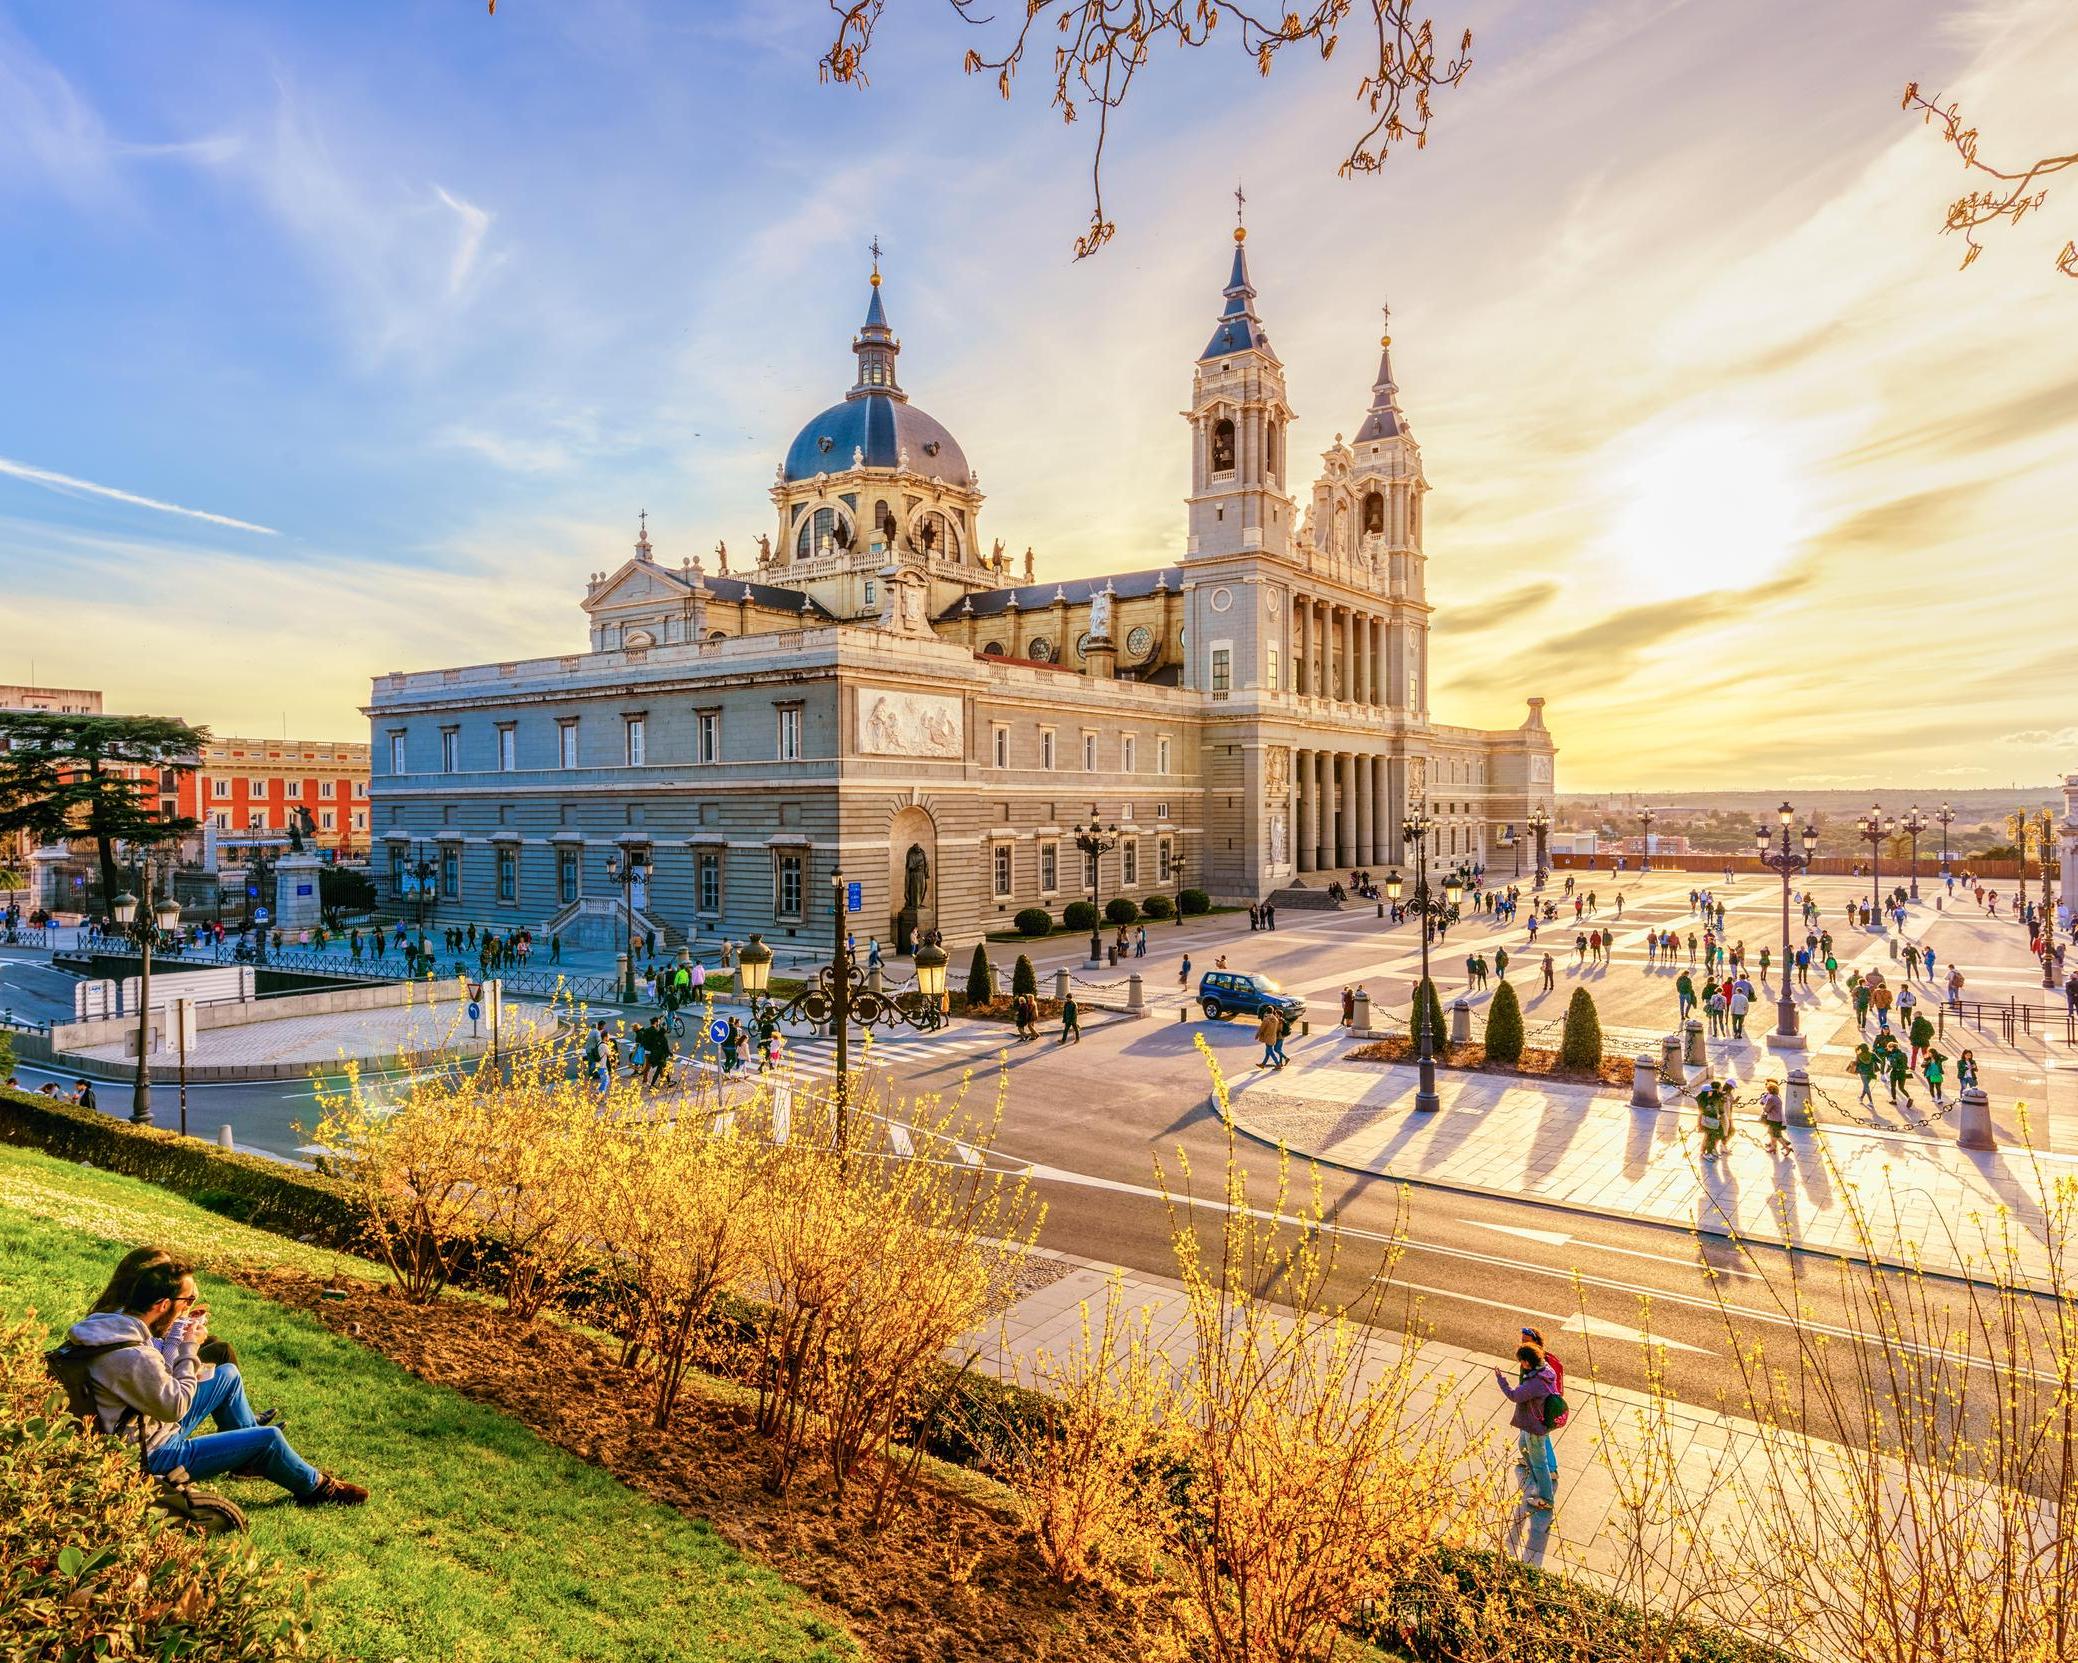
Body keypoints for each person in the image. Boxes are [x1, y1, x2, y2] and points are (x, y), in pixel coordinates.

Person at [61, 1253, 365, 1508]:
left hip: (142, 1425)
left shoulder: (109, 1324)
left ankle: (250, 1460)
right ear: (163, 1304)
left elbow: (155, 1381)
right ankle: (317, 1488)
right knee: (268, 1437)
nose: (189, 1305)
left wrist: (180, 1339)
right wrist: (190, 1346)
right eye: (186, 1300)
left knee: (227, 1376)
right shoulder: (133, 1355)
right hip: (150, 1454)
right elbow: (175, 1406)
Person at [1494, 1342, 1560, 1512]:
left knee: (1539, 1463)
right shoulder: (1547, 1370)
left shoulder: (1534, 1383)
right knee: (1523, 1447)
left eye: (1522, 1361)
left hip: (1534, 1428)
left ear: (1528, 1362)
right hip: (1535, 1422)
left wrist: (1501, 1381)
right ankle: (1539, 1477)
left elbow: (1514, 1395)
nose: (1521, 1364)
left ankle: (1546, 1498)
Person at [1759, 1077, 1788, 1153]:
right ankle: (1773, 1146)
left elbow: (1766, 1109)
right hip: (1777, 1118)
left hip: (1774, 1119)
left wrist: (1764, 1106)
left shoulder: (1771, 1098)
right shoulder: (1777, 1096)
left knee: (1775, 1135)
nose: (1765, 1086)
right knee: (1772, 1133)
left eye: (1767, 1085)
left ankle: (1786, 1147)